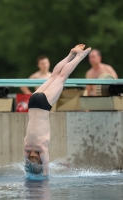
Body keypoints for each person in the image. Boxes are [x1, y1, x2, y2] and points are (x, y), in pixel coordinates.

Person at [24, 44, 91, 176]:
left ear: (40, 158)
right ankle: (71, 54)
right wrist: (28, 169)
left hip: (44, 104)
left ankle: (79, 57)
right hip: (32, 102)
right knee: (53, 76)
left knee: (62, 77)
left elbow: (46, 165)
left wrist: (44, 174)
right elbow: (26, 163)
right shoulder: (26, 147)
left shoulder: (41, 148)